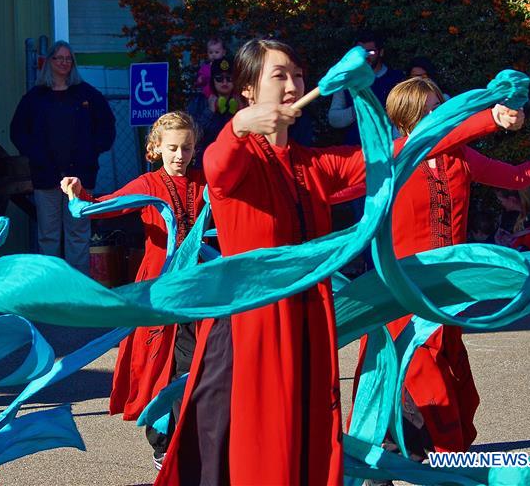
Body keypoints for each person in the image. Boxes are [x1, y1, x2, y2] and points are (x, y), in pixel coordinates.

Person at [156, 38, 373, 485]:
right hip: (250, 326)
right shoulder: (236, 155)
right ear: (249, 90)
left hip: (308, 319)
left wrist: (483, 116)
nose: (293, 84)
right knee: (244, 446)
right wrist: (238, 125)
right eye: (280, 75)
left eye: (297, 75)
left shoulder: (314, 163)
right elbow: (217, 167)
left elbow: (395, 155)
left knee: (307, 436)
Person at [349, 76, 530, 472]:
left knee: (455, 384)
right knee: (423, 377)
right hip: (406, 290)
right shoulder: (395, 156)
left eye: (441, 106)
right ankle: (437, 465)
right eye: (430, 110)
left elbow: (515, 178)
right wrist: (491, 115)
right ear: (407, 117)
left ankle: (403, 459)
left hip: (451, 291)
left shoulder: (461, 157)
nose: (439, 115)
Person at [61, 111, 206, 470]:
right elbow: (106, 207)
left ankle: (190, 434)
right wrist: (80, 195)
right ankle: (163, 443)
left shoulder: (204, 182)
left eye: (187, 148)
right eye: (172, 147)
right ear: (156, 148)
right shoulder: (147, 184)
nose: (180, 155)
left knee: (195, 360)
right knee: (158, 362)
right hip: (157, 289)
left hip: (198, 289)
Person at [11, 40, 116, 274]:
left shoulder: (87, 94)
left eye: (68, 58)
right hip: (45, 176)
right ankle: (52, 284)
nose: (64, 63)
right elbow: (18, 131)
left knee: (78, 233)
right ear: (49, 61)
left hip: (80, 177)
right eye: (59, 58)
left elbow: (107, 126)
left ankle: (77, 286)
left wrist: (93, 150)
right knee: (48, 234)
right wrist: (36, 157)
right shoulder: (35, 98)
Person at [328, 29, 404, 145]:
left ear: (381, 52)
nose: (365, 56)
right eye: (360, 52)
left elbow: (405, 116)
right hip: (354, 151)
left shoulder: (397, 80)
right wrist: (357, 110)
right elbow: (333, 119)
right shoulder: (346, 80)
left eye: (371, 52)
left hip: (388, 149)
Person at [188, 57, 238, 168]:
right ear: (212, 81)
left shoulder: (242, 101)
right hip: (206, 163)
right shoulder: (199, 101)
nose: (224, 82)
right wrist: (209, 111)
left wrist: (242, 112)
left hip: (235, 162)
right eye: (219, 78)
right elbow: (193, 134)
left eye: (229, 78)